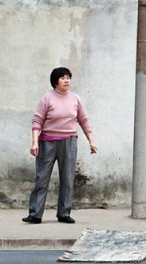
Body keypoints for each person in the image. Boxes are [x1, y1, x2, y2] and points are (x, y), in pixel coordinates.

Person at [23, 67, 97, 224]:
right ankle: (35, 214)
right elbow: (37, 121)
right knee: (42, 178)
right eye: (63, 78)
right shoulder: (47, 99)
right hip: (47, 142)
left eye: (68, 77)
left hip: (69, 142)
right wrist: (35, 142)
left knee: (68, 178)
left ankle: (64, 213)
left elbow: (83, 120)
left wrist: (91, 140)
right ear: (55, 81)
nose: (66, 80)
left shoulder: (75, 99)